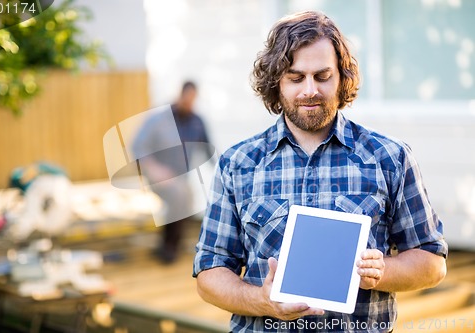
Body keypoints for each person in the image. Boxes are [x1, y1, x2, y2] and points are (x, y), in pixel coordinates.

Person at [193, 11, 447, 332]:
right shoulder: (238, 163)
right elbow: (209, 273)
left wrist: (382, 272)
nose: (310, 90)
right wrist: (262, 300)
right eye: (296, 78)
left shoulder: (390, 157)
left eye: (322, 76)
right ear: (277, 83)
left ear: (342, 77)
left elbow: (433, 262)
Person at [133, 81, 213, 264]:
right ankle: (168, 248)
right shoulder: (158, 120)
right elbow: (137, 147)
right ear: (180, 95)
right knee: (179, 196)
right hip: (157, 177)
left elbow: (209, 151)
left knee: (184, 197)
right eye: (187, 99)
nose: (189, 104)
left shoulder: (197, 122)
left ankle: (171, 246)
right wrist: (155, 169)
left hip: (180, 179)